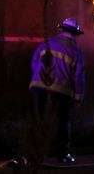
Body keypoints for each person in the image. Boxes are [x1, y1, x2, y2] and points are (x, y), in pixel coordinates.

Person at [29, 17, 85, 163]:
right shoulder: (76, 51)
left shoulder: (45, 44)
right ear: (74, 34)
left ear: (62, 30)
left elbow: (34, 62)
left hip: (38, 87)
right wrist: (78, 98)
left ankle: (35, 154)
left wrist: (39, 80)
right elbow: (78, 77)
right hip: (61, 91)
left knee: (39, 120)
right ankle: (62, 154)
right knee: (63, 122)